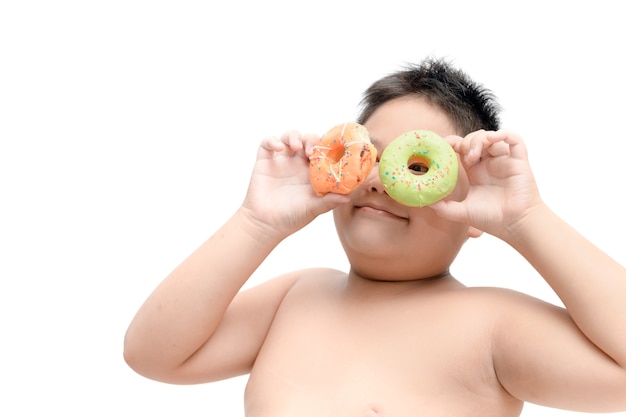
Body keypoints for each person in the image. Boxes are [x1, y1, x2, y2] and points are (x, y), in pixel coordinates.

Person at [123, 57, 626, 416]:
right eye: (369, 154)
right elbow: (151, 355)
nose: (380, 179)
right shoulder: (297, 298)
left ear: (476, 213)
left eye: (412, 164)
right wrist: (258, 223)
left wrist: (526, 219)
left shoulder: (493, 326)